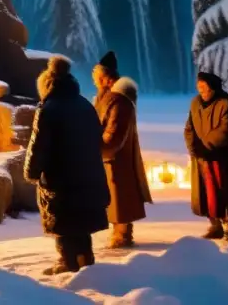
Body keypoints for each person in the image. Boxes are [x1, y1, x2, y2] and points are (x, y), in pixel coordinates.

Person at [24, 56, 110, 276]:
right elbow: (97, 139)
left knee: (63, 220)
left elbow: (38, 144)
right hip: (87, 174)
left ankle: (67, 261)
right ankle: (85, 258)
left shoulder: (48, 108)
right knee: (81, 220)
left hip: (59, 177)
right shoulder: (84, 105)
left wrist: (32, 172)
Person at [184, 71, 228, 241]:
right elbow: (189, 127)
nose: (201, 90)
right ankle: (215, 225)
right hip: (201, 157)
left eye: (204, 87)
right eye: (199, 87)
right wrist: (194, 148)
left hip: (223, 157)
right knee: (207, 193)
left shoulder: (226, 103)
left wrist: (207, 146)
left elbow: (227, 130)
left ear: (213, 87)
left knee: (227, 192)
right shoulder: (195, 103)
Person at [92, 51, 152, 249]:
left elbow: (114, 133)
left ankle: (123, 234)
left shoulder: (119, 100)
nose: (99, 82)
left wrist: (100, 150)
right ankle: (119, 232)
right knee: (114, 197)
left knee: (121, 197)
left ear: (108, 78)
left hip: (117, 158)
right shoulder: (106, 98)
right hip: (109, 157)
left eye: (101, 78)